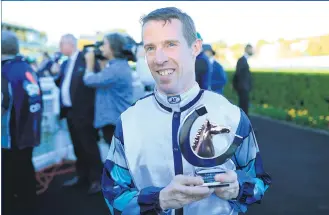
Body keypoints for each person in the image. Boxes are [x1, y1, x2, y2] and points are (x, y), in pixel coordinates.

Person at [101, 7, 271, 215]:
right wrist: (160, 200)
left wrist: (237, 189)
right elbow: (112, 193)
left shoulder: (231, 115)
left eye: (170, 44)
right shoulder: (128, 121)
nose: (159, 58)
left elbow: (259, 181)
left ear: (195, 47)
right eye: (150, 48)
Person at [53, 34, 102, 194]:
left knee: (89, 146)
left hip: (85, 112)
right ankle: (82, 177)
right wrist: (55, 74)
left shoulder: (86, 59)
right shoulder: (66, 63)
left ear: (70, 44)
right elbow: (62, 83)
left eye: (61, 44)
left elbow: (93, 82)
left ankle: (97, 179)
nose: (60, 48)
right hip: (70, 112)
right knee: (77, 147)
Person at [1, 30, 43, 215]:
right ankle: (29, 204)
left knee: (8, 176)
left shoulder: (4, 70)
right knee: (26, 169)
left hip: (11, 135)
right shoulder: (27, 67)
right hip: (29, 130)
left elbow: (4, 103)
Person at [83, 32, 134, 145]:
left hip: (113, 122)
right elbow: (105, 83)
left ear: (113, 47)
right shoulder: (118, 66)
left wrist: (89, 63)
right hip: (117, 120)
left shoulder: (115, 69)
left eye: (104, 44)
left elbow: (89, 80)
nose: (102, 48)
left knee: (118, 159)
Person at [233, 44, 253, 117]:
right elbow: (238, 74)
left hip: (244, 88)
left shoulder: (244, 60)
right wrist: (240, 87)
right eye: (251, 49)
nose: (252, 51)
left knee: (245, 107)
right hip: (243, 88)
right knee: (244, 108)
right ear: (247, 49)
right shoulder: (242, 60)